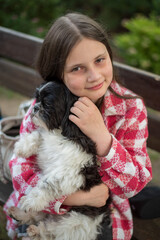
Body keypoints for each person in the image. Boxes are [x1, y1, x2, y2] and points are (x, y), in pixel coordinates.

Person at [4, 12, 152, 240]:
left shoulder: (129, 109)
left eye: (100, 60)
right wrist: (77, 198)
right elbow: (19, 171)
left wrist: (101, 137)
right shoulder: (44, 106)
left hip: (98, 215)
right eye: (77, 68)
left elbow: (134, 184)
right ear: (59, 74)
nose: (94, 76)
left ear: (109, 56)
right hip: (39, 207)